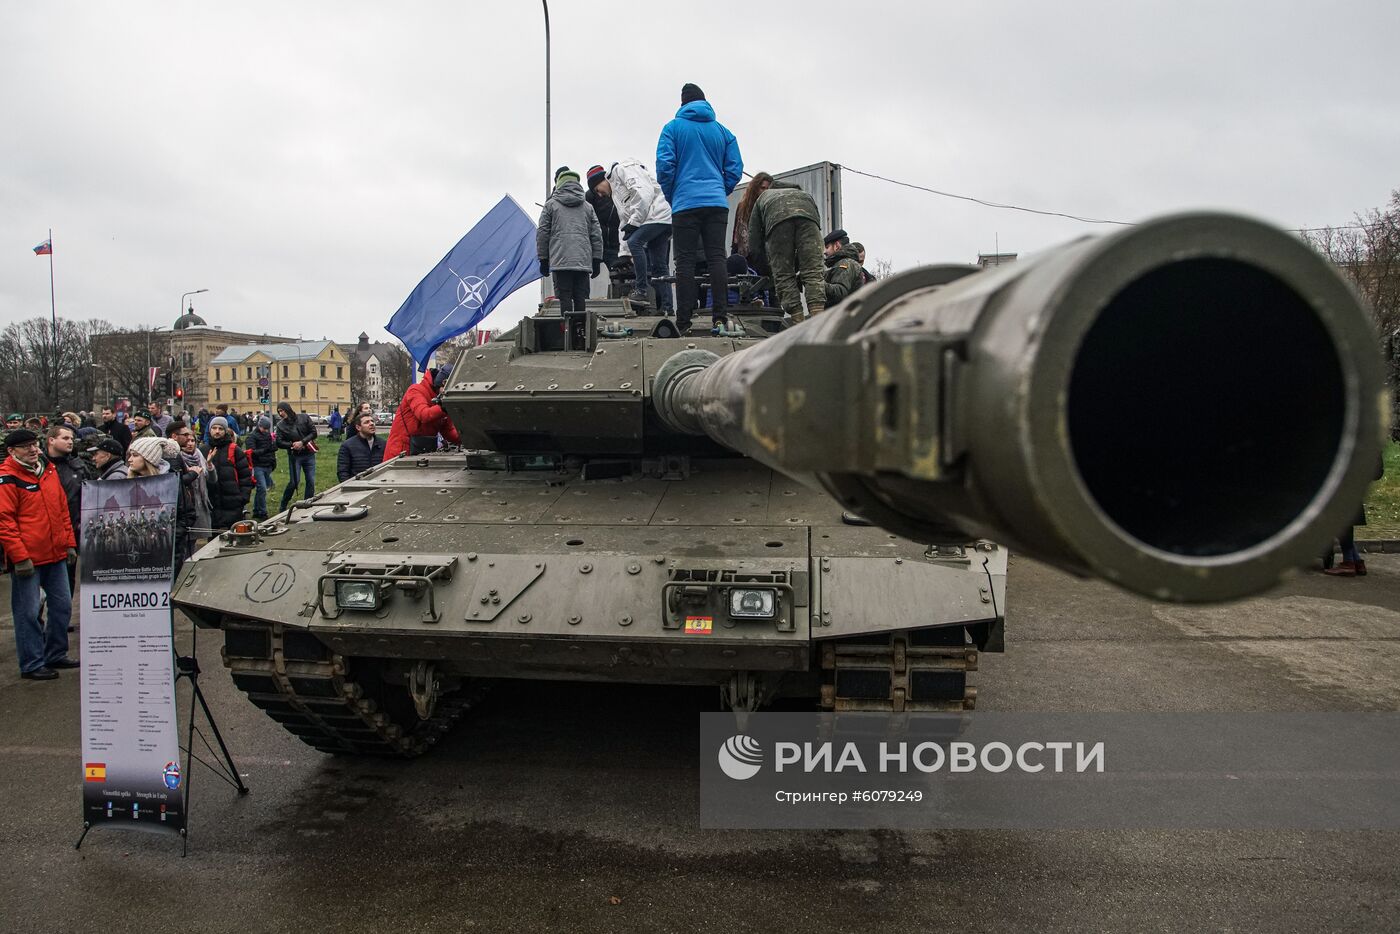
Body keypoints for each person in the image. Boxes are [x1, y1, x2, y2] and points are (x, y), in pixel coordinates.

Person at [656, 83, 743, 335]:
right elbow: (735, 168)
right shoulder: (723, 132)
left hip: (685, 203)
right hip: (716, 204)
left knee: (684, 262)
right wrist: (720, 189)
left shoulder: (672, 128)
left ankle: (683, 321)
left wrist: (674, 194)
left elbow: (664, 166)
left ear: (682, 103)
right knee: (717, 257)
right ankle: (720, 318)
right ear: (705, 102)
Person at [0, 428, 79, 680]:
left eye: (34, 445)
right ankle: (32, 663)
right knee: (28, 613)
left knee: (62, 607)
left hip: (55, 553)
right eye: (26, 447)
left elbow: (61, 509)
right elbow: (5, 521)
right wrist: (19, 557)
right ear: (12, 452)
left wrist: (68, 543)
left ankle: (55, 653)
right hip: (29, 560)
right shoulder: (7, 477)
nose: (33, 450)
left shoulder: (47, 470)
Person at [747, 178, 827, 323]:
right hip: (809, 220)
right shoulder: (804, 195)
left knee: (784, 274)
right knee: (813, 273)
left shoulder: (763, 198)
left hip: (778, 221)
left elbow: (753, 237)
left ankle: (797, 321)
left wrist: (764, 267)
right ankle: (818, 320)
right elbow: (817, 222)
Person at [606, 159, 675, 313]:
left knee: (635, 242)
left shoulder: (622, 170)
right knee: (659, 266)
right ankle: (667, 308)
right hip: (662, 218)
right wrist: (623, 253)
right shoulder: (616, 192)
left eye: (598, 188)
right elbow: (624, 222)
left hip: (657, 215)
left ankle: (641, 290)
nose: (600, 193)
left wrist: (635, 223)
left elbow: (644, 194)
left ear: (604, 179)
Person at [537, 167, 604, 313]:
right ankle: (581, 332)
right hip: (583, 262)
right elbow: (596, 234)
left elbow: (542, 232)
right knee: (581, 298)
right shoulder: (588, 207)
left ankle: (567, 332)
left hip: (560, 262)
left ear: (559, 183)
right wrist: (596, 259)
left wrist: (543, 259)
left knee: (564, 299)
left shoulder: (550, 205)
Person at [43, 424, 89, 605]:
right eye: (65, 438)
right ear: (51, 440)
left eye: (71, 438)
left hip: (70, 531)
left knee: (67, 577)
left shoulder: (78, 467)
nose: (70, 442)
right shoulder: (38, 466)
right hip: (43, 532)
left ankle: (63, 615)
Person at [383, 364, 460, 459]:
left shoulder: (443, 401)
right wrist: (444, 406)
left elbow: (449, 431)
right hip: (400, 453)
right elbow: (424, 415)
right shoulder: (415, 390)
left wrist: (470, 438)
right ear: (443, 383)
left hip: (421, 453)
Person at [201, 417, 253, 531]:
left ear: (225, 431)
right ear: (210, 430)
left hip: (233, 503)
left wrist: (243, 498)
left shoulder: (235, 450)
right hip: (212, 502)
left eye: (220, 428)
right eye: (214, 428)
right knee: (213, 539)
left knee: (234, 537)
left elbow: (245, 476)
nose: (217, 431)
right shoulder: (203, 450)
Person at [274, 402, 318, 512]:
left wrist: (302, 442)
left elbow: (313, 432)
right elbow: (278, 442)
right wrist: (292, 445)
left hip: (308, 453)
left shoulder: (304, 418)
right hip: (295, 456)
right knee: (294, 481)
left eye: (282, 410)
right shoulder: (280, 425)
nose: (280, 413)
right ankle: (283, 504)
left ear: (287, 409)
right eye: (279, 411)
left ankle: (307, 503)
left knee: (311, 480)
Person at [585, 165, 622, 270]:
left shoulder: (620, 191)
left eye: (598, 189)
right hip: (601, 247)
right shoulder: (589, 197)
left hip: (619, 246)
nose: (599, 194)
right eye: (595, 192)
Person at [732, 171, 774, 261]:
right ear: (755, 188)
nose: (765, 191)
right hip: (745, 255)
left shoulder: (771, 207)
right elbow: (736, 233)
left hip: (764, 256)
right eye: (762, 188)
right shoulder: (743, 206)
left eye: (768, 189)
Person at [338, 412, 387, 481]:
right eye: (367, 422)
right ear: (358, 427)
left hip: (379, 485)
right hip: (357, 487)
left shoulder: (383, 444)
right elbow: (343, 472)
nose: (371, 424)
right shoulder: (347, 446)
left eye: (372, 421)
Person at [823, 228, 865, 304]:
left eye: (827, 247)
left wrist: (819, 285)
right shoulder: (846, 263)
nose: (825, 252)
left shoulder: (845, 263)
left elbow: (840, 292)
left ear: (837, 246)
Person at [247, 416, 277, 519]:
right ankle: (263, 512)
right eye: (264, 428)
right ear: (259, 426)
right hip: (258, 466)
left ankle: (256, 510)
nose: (265, 431)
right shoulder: (252, 436)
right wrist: (266, 450)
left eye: (267, 429)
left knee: (261, 490)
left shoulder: (268, 435)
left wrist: (273, 461)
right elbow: (251, 452)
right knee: (263, 488)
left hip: (267, 465)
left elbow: (271, 451)